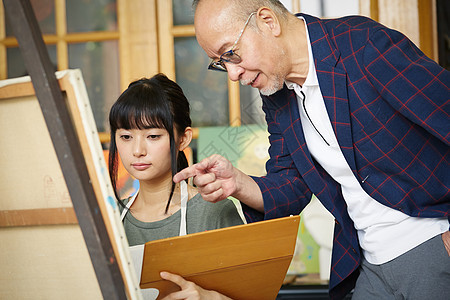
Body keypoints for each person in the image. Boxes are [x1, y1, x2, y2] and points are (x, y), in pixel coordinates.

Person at [173, 1, 450, 299]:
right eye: (220, 62)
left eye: (230, 53)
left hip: (431, 243)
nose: (232, 73)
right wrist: (239, 184)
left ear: (268, 21)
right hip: (369, 262)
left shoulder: (363, 45)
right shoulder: (277, 96)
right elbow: (292, 184)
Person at [108, 73, 241, 299]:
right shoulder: (110, 222)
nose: (137, 150)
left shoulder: (213, 211)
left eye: (152, 136)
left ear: (183, 139)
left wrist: (210, 297)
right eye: (126, 136)